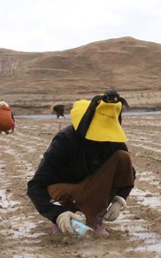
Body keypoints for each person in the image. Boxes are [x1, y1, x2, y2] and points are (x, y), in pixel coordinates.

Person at [26, 90, 135, 238]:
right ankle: (66, 216)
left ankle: (95, 218)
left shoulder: (112, 140)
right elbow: (36, 186)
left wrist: (119, 200)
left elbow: (128, 172)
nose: (101, 139)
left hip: (94, 188)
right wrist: (56, 214)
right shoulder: (65, 140)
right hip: (65, 191)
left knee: (123, 157)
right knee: (63, 196)